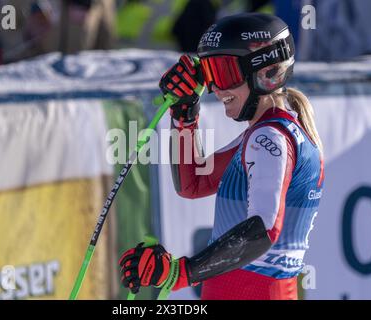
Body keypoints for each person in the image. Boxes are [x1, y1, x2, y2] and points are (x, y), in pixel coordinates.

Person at [119, 13, 324, 300]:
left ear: (266, 72)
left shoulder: (268, 139)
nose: (216, 89)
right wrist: (185, 114)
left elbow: (264, 229)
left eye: (225, 72)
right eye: (210, 74)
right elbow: (194, 183)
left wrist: (181, 272)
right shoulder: (272, 131)